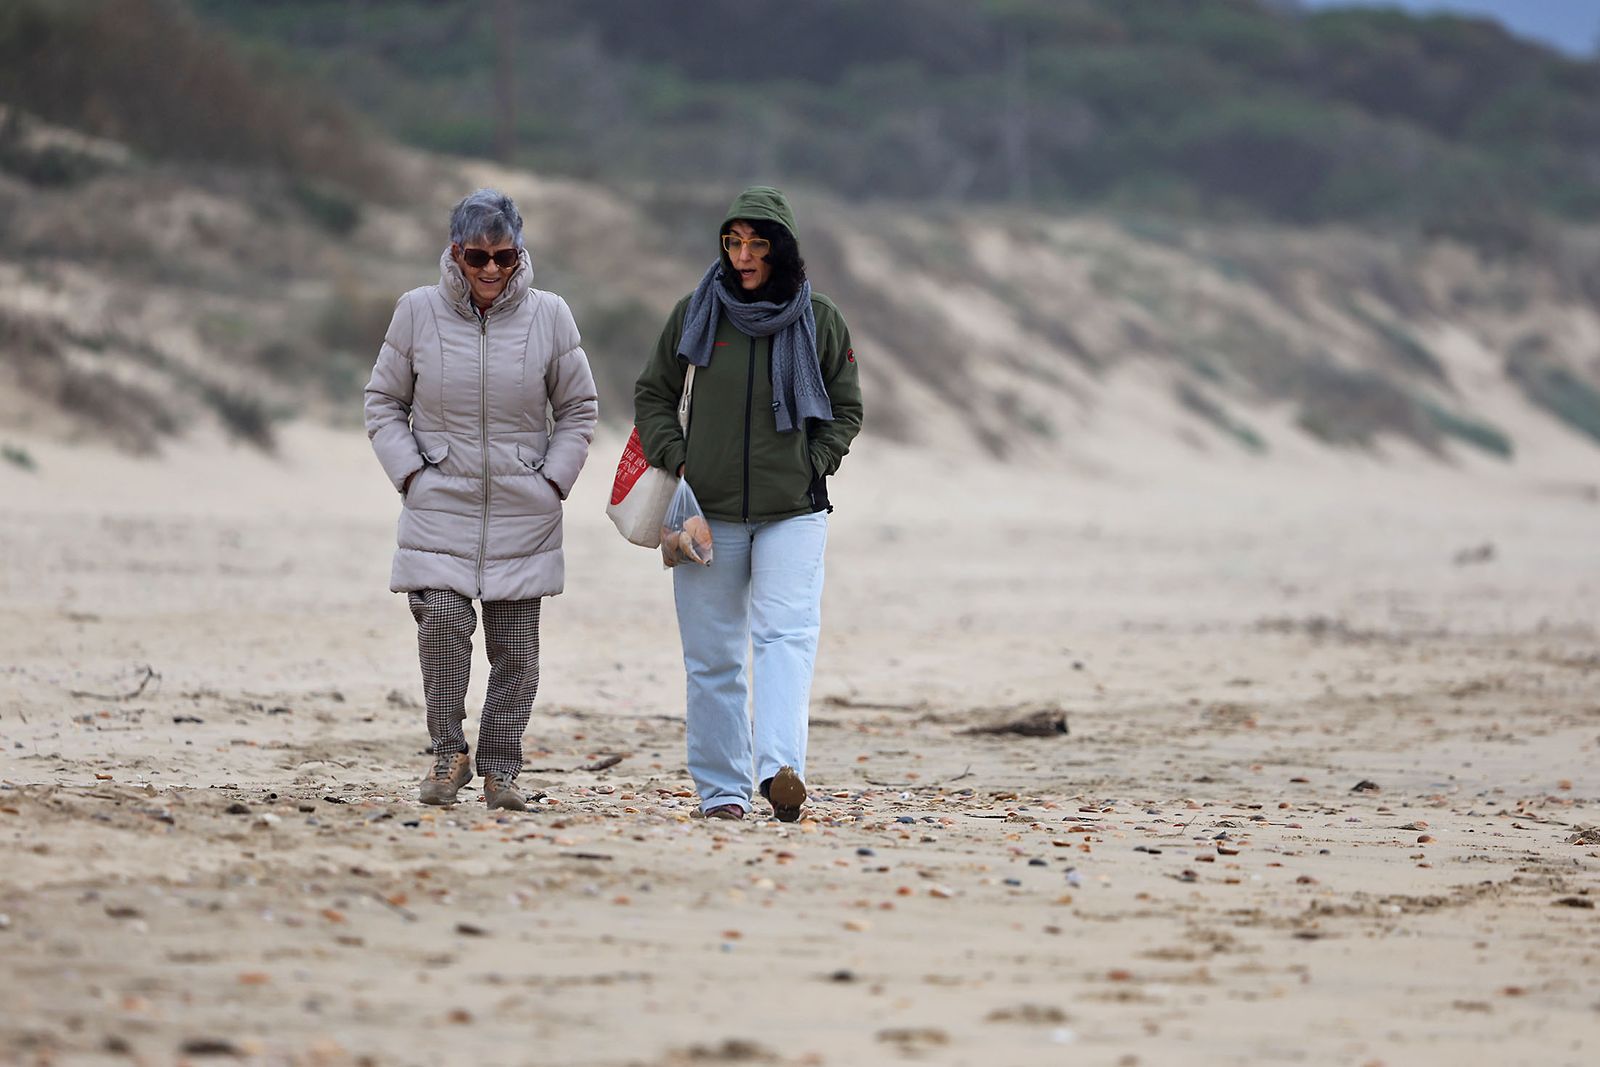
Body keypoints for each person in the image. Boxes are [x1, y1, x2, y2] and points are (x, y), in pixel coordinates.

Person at [634, 186, 863, 821]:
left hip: (794, 510)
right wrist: (679, 462)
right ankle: (723, 793)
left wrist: (812, 465)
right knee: (712, 657)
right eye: (733, 242)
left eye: (758, 243)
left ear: (782, 247)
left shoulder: (821, 319)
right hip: (704, 510)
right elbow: (653, 393)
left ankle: (780, 771)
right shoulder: (695, 312)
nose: (743, 255)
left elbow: (846, 410)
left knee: (786, 637)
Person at [365, 189, 597, 810]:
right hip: (438, 499)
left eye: (505, 256)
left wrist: (553, 481)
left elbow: (578, 409)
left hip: (527, 508)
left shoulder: (551, 315)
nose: (492, 269)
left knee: (516, 652)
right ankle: (448, 753)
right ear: (454, 254)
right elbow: (383, 402)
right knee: (441, 623)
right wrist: (412, 475)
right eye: (478, 256)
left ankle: (499, 767)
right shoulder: (416, 311)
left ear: (520, 252)